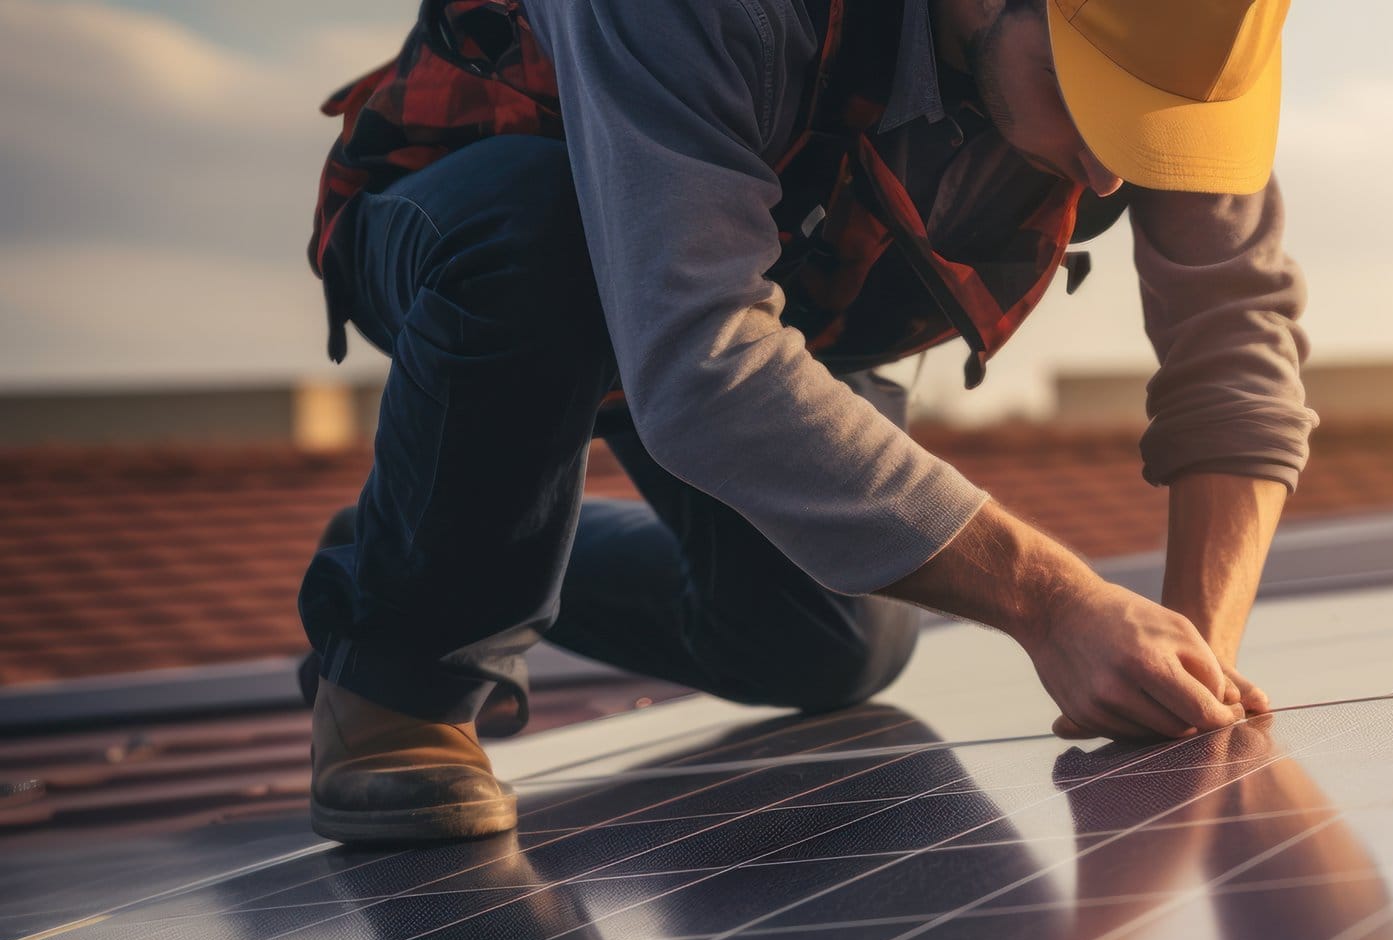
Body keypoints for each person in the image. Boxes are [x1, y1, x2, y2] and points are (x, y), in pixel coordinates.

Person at [297, 0, 1314, 845]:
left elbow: (1236, 347)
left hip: (788, 286)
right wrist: (1054, 601)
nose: (1103, 178)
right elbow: (702, 354)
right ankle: (399, 671)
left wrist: (1193, 668)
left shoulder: (1178, 38)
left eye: (1148, 131)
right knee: (543, 231)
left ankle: (418, 537)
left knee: (828, 643)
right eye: (1084, 107)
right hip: (482, 221)